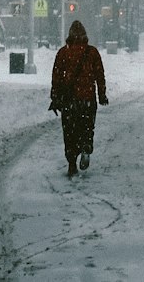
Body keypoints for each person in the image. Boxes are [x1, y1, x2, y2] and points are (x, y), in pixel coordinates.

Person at [48, 19, 108, 176]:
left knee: (69, 132)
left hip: (69, 101)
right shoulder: (92, 52)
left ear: (70, 35)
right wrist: (102, 95)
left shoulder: (63, 53)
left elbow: (56, 77)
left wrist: (55, 97)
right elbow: (99, 75)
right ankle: (86, 145)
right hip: (88, 99)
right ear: (84, 35)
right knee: (87, 127)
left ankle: (72, 162)